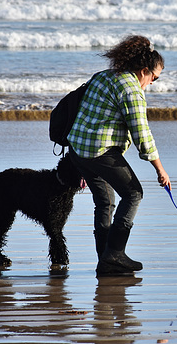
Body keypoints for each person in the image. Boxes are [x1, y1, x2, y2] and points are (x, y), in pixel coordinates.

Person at [67, 35, 170, 276]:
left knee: (105, 202)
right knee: (133, 193)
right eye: (154, 78)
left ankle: (105, 260)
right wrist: (160, 170)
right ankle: (115, 254)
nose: (153, 83)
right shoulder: (131, 89)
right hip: (99, 152)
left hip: (78, 150)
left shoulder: (104, 75)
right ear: (144, 70)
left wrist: (80, 165)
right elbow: (142, 135)